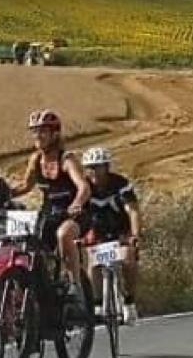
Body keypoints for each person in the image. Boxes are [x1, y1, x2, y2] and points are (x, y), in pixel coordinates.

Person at [19, 108, 91, 295]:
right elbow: (25, 186)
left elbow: (83, 187)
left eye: (43, 131)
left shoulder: (66, 159)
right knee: (29, 244)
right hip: (49, 214)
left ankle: (75, 284)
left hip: (74, 214)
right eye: (35, 131)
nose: (38, 135)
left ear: (55, 134)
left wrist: (77, 203)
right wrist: (3, 193)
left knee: (64, 234)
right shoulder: (36, 159)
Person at [77, 146, 142, 321]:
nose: (93, 171)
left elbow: (133, 210)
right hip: (96, 231)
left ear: (106, 167)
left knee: (128, 259)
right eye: (89, 168)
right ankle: (98, 304)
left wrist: (135, 234)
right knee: (93, 263)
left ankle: (129, 302)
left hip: (120, 230)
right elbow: (77, 213)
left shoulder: (120, 184)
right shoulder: (84, 187)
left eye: (97, 167)